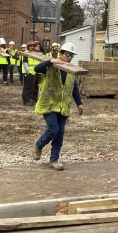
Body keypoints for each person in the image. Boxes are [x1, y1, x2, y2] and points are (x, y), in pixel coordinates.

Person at [31, 42, 83, 170]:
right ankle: (39, 144)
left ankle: (54, 160)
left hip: (63, 106)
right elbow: (36, 69)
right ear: (61, 54)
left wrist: (79, 103)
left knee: (59, 134)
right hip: (49, 104)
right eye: (67, 54)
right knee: (53, 129)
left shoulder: (70, 70)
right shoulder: (51, 66)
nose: (69, 57)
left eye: (71, 55)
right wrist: (49, 61)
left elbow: (74, 87)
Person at [22, 41, 38, 105]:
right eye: (31, 46)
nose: (32, 47)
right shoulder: (26, 53)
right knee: (27, 87)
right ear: (28, 47)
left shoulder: (34, 53)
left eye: (33, 46)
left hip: (33, 72)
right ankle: (25, 100)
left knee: (31, 87)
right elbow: (25, 63)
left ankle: (28, 99)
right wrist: (27, 71)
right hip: (29, 73)